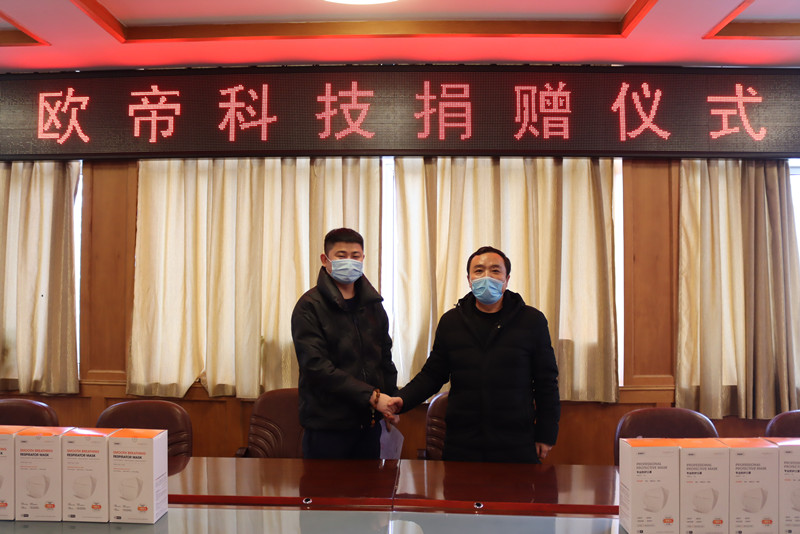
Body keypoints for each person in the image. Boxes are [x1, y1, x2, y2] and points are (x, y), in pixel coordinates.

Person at [387, 246, 560, 463]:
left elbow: (546, 382)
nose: (487, 276)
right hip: (462, 442)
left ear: (507, 279)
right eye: (479, 271)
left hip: (516, 442)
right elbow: (432, 375)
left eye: (495, 271)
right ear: (469, 280)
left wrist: (546, 433)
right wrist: (401, 400)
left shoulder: (532, 321)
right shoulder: (451, 322)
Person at [291, 227, 398, 460]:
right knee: (325, 485)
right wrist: (372, 397)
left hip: (369, 424)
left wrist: (390, 401)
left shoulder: (373, 305)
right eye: (341, 256)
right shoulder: (309, 306)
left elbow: (384, 358)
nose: (349, 261)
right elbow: (316, 367)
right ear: (325, 259)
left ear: (363, 258)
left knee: (369, 484)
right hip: (327, 428)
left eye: (355, 256)